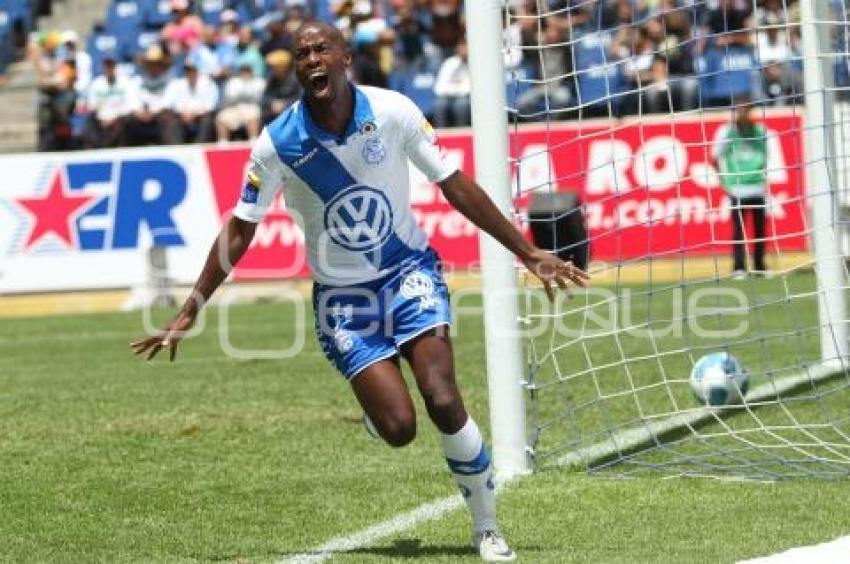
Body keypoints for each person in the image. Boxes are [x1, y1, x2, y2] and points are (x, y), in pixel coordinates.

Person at [131, 21, 588, 562]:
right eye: (301, 53)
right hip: (343, 300)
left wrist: (526, 250)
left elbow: (455, 185)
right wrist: (192, 307)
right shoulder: (278, 143)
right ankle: (378, 413)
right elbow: (241, 227)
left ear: (345, 57)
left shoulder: (392, 111)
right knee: (399, 429)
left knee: (442, 397)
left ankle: (486, 527)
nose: (312, 58)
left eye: (322, 48)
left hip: (407, 271)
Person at [711, 98, 769, 278]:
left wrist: (763, 177)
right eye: (739, 110)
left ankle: (760, 266)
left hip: (757, 187)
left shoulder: (760, 131)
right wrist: (723, 181)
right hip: (737, 188)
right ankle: (739, 267)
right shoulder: (726, 132)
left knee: (760, 230)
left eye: (745, 110)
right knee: (739, 230)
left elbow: (766, 156)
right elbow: (714, 157)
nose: (742, 114)